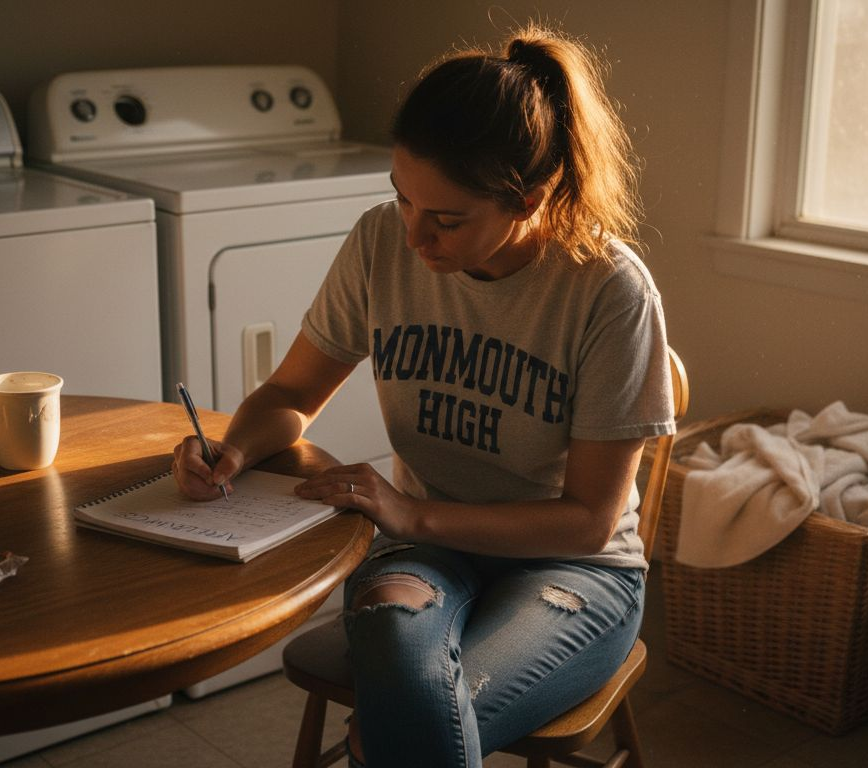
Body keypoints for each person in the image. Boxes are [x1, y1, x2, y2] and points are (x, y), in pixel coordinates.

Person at [173, 22, 674, 768]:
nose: (414, 237)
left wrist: (409, 511)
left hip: (573, 574)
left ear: (529, 199)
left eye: (446, 220)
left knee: (402, 728)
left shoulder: (609, 292)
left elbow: (587, 522)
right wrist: (233, 449)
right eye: (403, 199)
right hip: (425, 553)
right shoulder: (380, 241)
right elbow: (292, 390)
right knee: (406, 696)